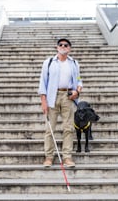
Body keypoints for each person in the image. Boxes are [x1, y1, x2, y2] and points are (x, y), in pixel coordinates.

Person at [38, 38, 83, 167]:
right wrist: (43, 100)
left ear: (69, 48)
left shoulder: (74, 63)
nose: (63, 46)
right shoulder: (49, 62)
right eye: (61, 45)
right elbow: (43, 81)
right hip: (52, 96)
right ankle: (49, 157)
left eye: (66, 45)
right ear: (57, 47)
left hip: (68, 97)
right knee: (49, 128)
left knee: (68, 128)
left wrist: (78, 91)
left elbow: (79, 79)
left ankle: (67, 157)